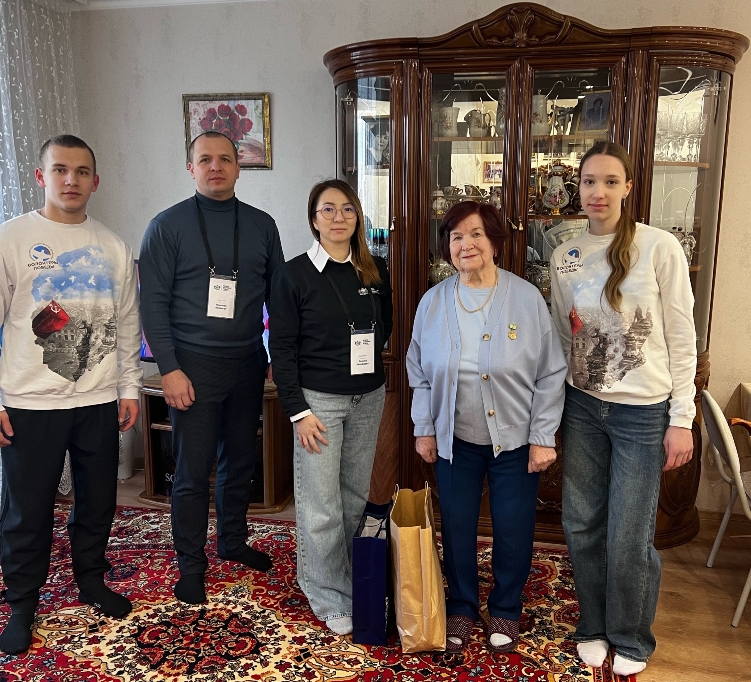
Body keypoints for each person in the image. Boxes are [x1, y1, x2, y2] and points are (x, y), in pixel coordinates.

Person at [0, 135, 142, 655]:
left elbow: (127, 325)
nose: (71, 180)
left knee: (98, 501)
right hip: (29, 403)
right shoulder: (5, 241)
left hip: (97, 400)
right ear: (41, 176)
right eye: (60, 169)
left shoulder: (113, 246)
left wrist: (129, 387)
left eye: (82, 171)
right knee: (27, 510)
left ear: (95, 181)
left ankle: (91, 580)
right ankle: (22, 601)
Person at [549, 142, 696, 677]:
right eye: (590, 181)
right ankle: (592, 625)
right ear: (578, 187)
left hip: (643, 413)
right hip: (582, 407)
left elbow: (681, 335)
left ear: (629, 188)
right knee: (581, 523)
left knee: (630, 534)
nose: (599, 192)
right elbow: (560, 337)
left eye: (611, 181)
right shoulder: (565, 254)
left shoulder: (659, 247)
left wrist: (682, 418)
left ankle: (630, 635)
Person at [406, 201, 566, 653]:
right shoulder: (433, 302)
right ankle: (461, 605)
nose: (466, 244)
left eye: (476, 234)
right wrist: (424, 428)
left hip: (514, 439)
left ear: (495, 241)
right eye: (456, 236)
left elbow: (551, 372)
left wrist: (542, 436)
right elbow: (418, 371)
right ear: (447, 247)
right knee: (457, 525)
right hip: (454, 439)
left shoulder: (526, 298)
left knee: (512, 527)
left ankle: (506, 609)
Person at [139, 131, 284, 605]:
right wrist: (169, 369)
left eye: (224, 159)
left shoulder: (262, 225)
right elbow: (152, 305)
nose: (215, 167)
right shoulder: (166, 226)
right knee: (192, 469)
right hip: (192, 367)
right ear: (191, 168)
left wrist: (276, 357)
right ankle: (190, 565)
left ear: (239, 167)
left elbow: (279, 299)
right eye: (205, 159)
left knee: (240, 460)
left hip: (247, 361)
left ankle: (232, 541)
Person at [268, 179, 392, 636]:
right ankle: (325, 591)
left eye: (347, 209)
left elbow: (384, 327)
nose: (339, 218)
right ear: (313, 219)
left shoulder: (374, 270)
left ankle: (349, 579)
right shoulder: (293, 275)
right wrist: (298, 411)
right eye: (328, 210)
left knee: (354, 497)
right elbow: (281, 349)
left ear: (358, 217)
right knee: (320, 503)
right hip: (318, 404)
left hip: (368, 398)